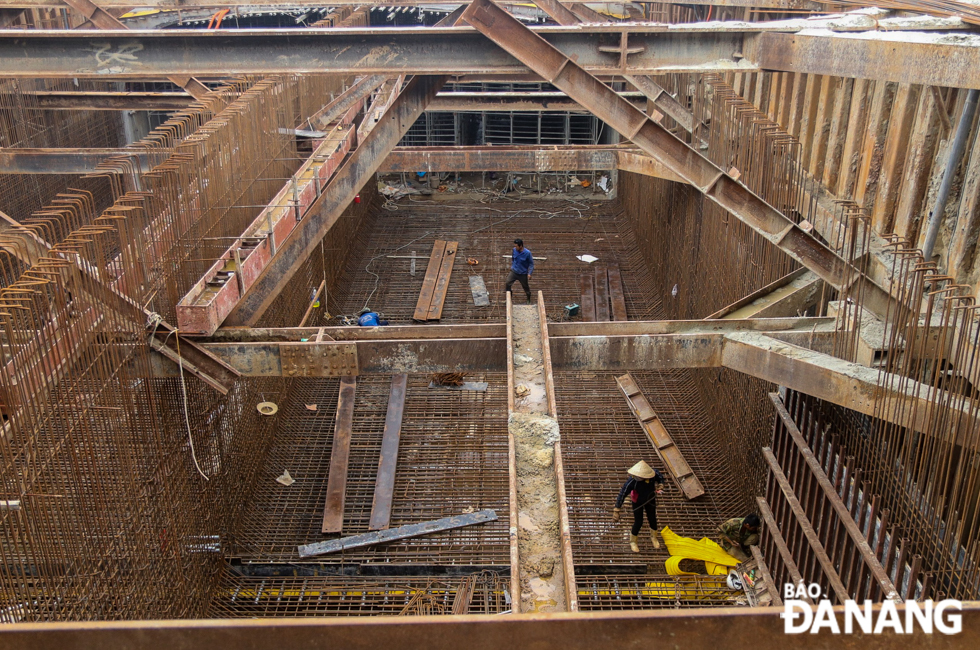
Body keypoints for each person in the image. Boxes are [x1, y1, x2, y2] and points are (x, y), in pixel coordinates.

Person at [613, 460, 665, 553]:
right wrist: (617, 509)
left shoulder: (653, 474)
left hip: (650, 499)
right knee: (638, 522)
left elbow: (660, 477)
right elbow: (622, 494)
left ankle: (654, 537)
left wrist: (661, 484)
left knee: (652, 519)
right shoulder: (632, 481)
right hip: (637, 502)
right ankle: (633, 541)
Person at [505, 238, 533, 303]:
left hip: (523, 273)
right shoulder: (514, 250)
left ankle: (528, 297)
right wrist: (513, 266)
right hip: (514, 271)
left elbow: (531, 264)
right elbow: (513, 258)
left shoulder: (527, 253)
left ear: (521, 246)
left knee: (525, 286)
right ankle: (509, 298)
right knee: (508, 283)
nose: (515, 247)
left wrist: (529, 273)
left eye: (516, 246)